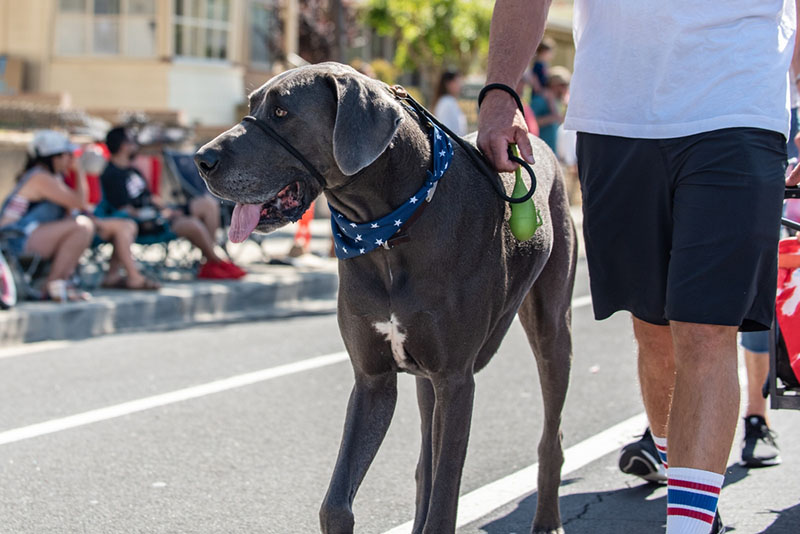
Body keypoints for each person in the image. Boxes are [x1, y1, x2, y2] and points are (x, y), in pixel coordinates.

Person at [477, 2, 799, 533]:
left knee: (707, 328)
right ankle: (687, 480)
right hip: (617, 115)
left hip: (741, 106)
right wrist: (500, 92)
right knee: (656, 331)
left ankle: (690, 522)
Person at [98, 127, 245, 280]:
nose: (136, 144)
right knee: (192, 224)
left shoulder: (133, 171)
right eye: (132, 141)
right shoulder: (111, 174)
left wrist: (167, 209)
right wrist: (162, 214)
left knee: (207, 203)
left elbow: (150, 198)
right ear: (123, 145)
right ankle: (216, 261)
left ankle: (211, 262)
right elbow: (124, 210)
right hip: (146, 223)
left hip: (158, 214)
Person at [529, 66, 570, 153]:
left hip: (552, 153)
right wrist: (551, 118)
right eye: (562, 85)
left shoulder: (556, 103)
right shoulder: (539, 101)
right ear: (553, 85)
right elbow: (529, 122)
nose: (565, 89)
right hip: (538, 153)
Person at [433, 70, 468, 137]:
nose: (460, 85)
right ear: (448, 84)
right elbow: (445, 130)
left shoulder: (451, 101)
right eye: (457, 82)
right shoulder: (446, 102)